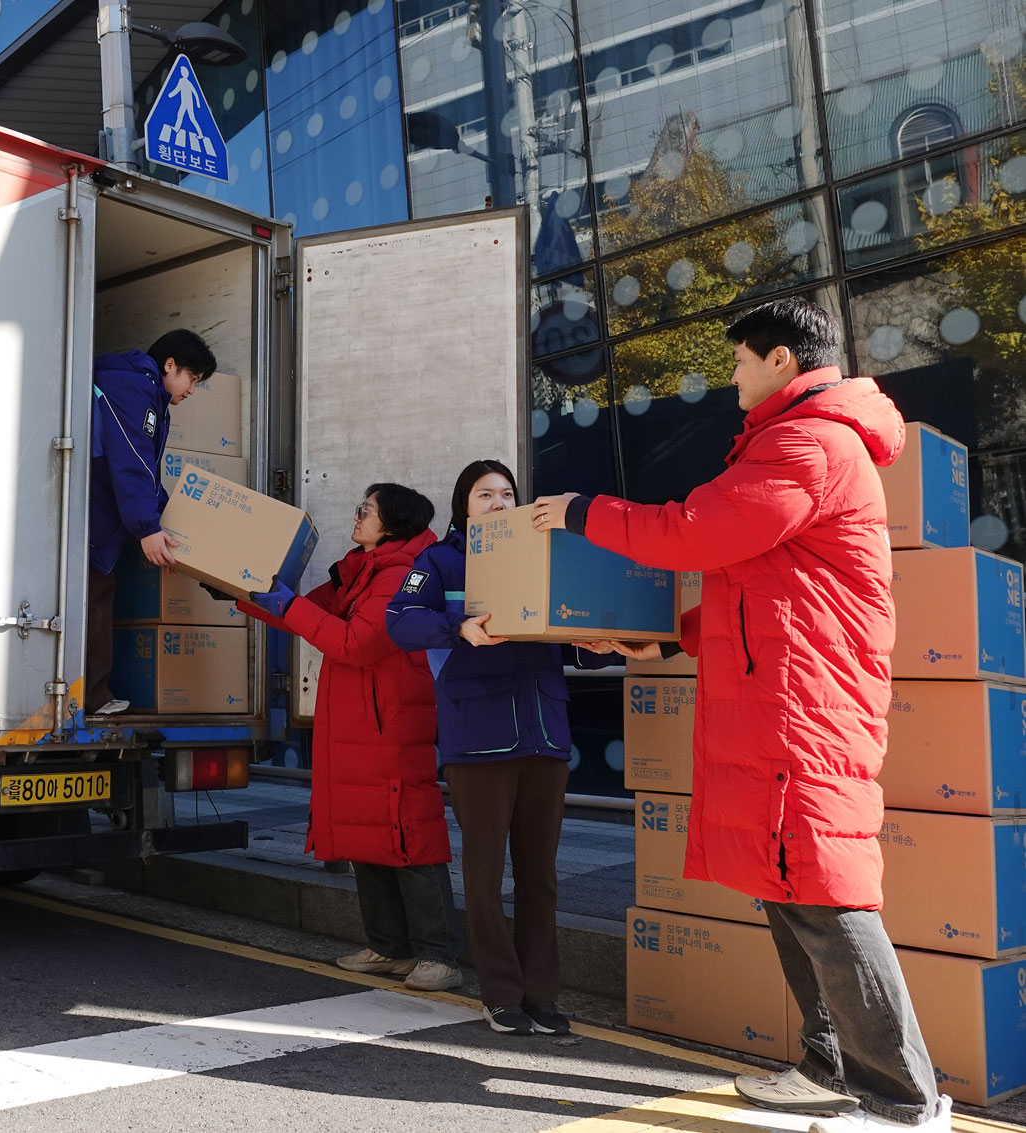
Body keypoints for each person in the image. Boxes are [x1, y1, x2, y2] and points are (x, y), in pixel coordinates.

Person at [530, 297, 949, 1132]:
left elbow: (695, 533)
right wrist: (663, 637)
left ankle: (903, 1101)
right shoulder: (797, 441)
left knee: (826, 893)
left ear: (782, 358)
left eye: (738, 360)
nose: (731, 376)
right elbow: (752, 590)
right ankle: (831, 1065)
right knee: (789, 885)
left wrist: (583, 511)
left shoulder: (808, 442)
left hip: (803, 708)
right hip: (785, 699)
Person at [384, 460, 610, 1036]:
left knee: (541, 877)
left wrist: (598, 641)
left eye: (506, 494)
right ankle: (501, 994)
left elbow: (568, 631)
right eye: (484, 495)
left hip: (543, 734)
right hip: (478, 737)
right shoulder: (439, 561)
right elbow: (400, 621)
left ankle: (542, 995)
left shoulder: (544, 555)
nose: (497, 503)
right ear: (463, 505)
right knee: (485, 878)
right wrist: (458, 625)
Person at [238, 484, 462, 992]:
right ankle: (390, 948)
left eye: (366, 510)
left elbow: (355, 642)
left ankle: (439, 955)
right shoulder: (363, 569)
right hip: (362, 723)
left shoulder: (401, 575)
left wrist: (287, 605)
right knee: (366, 829)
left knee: (408, 831)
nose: (357, 516)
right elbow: (303, 609)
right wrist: (240, 591)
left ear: (392, 524)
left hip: (391, 724)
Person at [85, 329, 216, 716]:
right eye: (192, 378)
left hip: (97, 518)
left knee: (96, 595)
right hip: (91, 521)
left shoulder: (144, 393)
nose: (192, 390)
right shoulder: (134, 389)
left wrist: (166, 528)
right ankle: (90, 698)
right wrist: (148, 528)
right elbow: (132, 462)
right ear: (169, 365)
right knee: (93, 596)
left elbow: (146, 474)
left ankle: (91, 695)